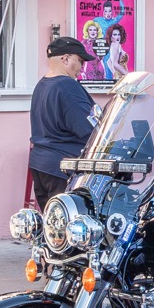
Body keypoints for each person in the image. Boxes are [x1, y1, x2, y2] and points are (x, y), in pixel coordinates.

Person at [28, 37, 98, 209]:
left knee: (52, 229)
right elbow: (90, 131)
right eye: (80, 61)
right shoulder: (68, 87)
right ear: (65, 59)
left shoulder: (42, 84)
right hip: (64, 167)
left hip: (41, 164)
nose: (82, 68)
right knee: (71, 229)